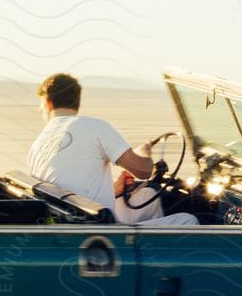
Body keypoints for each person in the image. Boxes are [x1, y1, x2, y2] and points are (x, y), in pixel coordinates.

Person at [27, 72, 154, 219]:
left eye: (41, 106)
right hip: (97, 228)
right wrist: (145, 152)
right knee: (184, 218)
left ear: (48, 103)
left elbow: (69, 189)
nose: (40, 110)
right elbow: (143, 171)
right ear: (77, 102)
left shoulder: (37, 145)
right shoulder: (96, 127)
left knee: (148, 195)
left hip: (66, 221)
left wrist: (113, 189)